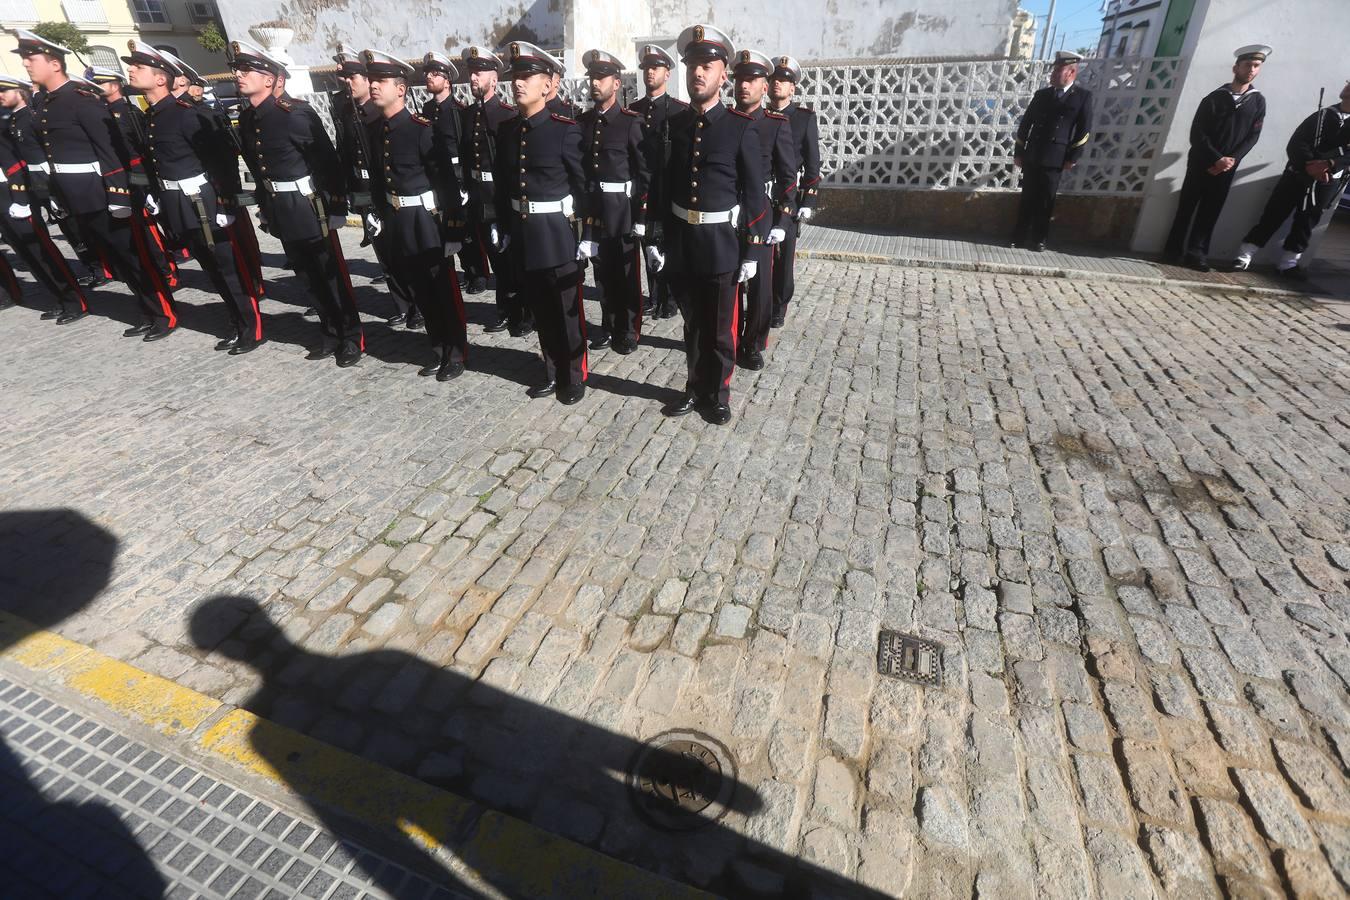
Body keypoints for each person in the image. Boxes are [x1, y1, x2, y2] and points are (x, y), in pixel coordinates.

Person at [14, 28, 180, 340]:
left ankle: (163, 313)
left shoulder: (82, 101)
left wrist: (118, 195)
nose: (26, 65)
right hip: (79, 198)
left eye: (32, 59)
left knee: (135, 259)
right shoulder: (48, 104)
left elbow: (109, 151)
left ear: (54, 64)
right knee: (117, 262)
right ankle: (147, 311)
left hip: (103, 197)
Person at [646, 24, 766, 426]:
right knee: (692, 325)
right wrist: (657, 235)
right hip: (684, 241)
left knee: (718, 330)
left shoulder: (740, 127)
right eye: (693, 64)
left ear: (723, 75)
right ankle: (694, 386)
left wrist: (753, 248)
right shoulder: (676, 125)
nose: (698, 72)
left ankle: (717, 394)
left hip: (721, 244)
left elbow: (754, 195)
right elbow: (663, 185)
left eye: (707, 65)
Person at [125, 40, 265, 354]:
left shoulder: (184, 113)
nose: (131, 71)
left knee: (229, 269)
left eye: (138, 67)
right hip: (181, 204)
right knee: (211, 269)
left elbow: (220, 160)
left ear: (161, 78)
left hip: (204, 203)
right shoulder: (153, 116)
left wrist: (226, 202)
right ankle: (236, 321)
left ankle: (251, 327)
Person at [232, 38, 365, 366]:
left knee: (330, 274)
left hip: (309, 207)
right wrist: (265, 207)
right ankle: (329, 330)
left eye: (246, 70)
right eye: (238, 70)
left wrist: (336, 207)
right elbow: (256, 165)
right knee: (306, 275)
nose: (239, 75)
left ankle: (351, 335)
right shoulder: (247, 120)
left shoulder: (295, 114)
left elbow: (327, 162)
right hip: (280, 208)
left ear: (268, 79)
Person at [362, 48, 469, 381]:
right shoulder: (376, 131)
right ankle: (438, 348)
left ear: (401, 89)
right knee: (421, 291)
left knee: (441, 290)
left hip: (427, 224)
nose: (374, 86)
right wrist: (378, 214)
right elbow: (380, 179)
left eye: (381, 80)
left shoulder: (422, 129)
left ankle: (456, 351)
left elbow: (446, 185)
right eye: (372, 80)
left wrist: (452, 230)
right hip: (398, 223)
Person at [494, 41, 588, 405]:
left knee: (564, 313)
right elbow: (505, 186)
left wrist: (586, 234)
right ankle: (552, 369)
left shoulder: (565, 130)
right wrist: (503, 227)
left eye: (528, 76)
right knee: (541, 311)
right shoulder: (507, 131)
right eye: (516, 76)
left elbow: (584, 188)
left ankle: (574, 374)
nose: (518, 83)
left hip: (557, 237)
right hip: (524, 235)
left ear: (548, 85)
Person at [332, 47, 421, 328]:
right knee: (383, 252)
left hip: (385, 189)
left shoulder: (379, 113)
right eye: (344, 77)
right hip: (363, 189)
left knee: (402, 251)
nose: (349, 82)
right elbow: (345, 151)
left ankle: (417, 304)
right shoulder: (346, 111)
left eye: (353, 76)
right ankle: (401, 303)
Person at [1164, 46, 1269, 272]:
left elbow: (1253, 136)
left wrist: (1231, 160)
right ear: (1236, 67)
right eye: (1247, 65)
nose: (1251, 69)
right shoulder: (1214, 98)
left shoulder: (1257, 101)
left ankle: (1197, 253)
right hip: (1201, 164)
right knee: (1186, 208)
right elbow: (1197, 133)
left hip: (1227, 169)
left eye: (1256, 66)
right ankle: (1172, 251)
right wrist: (1216, 158)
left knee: (1210, 212)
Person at [1230, 80, 1350, 277]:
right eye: (1348, 84)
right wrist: (1310, 165)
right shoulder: (1323, 115)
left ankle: (1288, 263)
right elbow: (1297, 143)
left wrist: (1329, 164)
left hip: (1326, 180)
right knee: (1273, 214)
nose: (1347, 87)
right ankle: (1244, 256)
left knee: (1307, 221)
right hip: (1298, 174)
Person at [577, 49, 649, 355]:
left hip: (622, 209)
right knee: (602, 272)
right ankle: (608, 325)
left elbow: (644, 172)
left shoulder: (630, 122)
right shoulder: (582, 122)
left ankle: (628, 328)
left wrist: (642, 213)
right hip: (595, 210)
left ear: (616, 84)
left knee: (625, 273)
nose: (595, 83)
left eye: (601, 78)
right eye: (592, 77)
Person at [0, 74, 89, 321]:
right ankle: (58, 297)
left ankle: (73, 300)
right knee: (25, 253)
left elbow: (16, 162)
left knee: (39, 249)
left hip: (11, 191)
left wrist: (20, 198)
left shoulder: (6, 121)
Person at [731, 48, 796, 372]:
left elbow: (788, 177)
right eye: (740, 79)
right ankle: (727, 338)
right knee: (730, 281)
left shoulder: (776, 124)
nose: (745, 85)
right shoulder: (726, 121)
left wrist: (784, 218)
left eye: (752, 79)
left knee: (760, 286)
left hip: (762, 214)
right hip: (729, 214)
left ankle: (753, 343)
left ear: (764, 86)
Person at [460, 45, 526, 332]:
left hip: (498, 196)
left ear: (494, 79)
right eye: (472, 72)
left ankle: (520, 313)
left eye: (479, 72)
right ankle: (505, 309)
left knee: (510, 259)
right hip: (477, 196)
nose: (474, 78)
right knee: (495, 259)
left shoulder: (506, 116)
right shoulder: (468, 114)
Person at [1011, 50, 1094, 252]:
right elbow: (1026, 124)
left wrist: (1072, 156)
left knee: (1046, 200)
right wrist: (1019, 152)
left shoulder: (1082, 97)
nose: (1054, 74)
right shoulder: (1042, 95)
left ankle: (1039, 238)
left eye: (1059, 70)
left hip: (1056, 158)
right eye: (1054, 70)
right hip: (1034, 154)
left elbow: (1084, 130)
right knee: (1028, 197)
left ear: (1071, 72)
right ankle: (1019, 236)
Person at [630, 44, 688, 321]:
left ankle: (671, 296)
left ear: (667, 73)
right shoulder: (633, 111)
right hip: (644, 189)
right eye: (647, 68)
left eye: (656, 68)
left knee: (670, 243)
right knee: (647, 241)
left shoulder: (679, 111)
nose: (650, 72)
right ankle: (654, 297)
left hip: (670, 189)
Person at [767, 54, 820, 328]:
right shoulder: (759, 115)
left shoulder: (803, 119)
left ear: (792, 89)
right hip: (760, 194)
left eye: (784, 81)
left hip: (788, 195)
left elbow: (813, 163)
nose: (778, 84)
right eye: (774, 79)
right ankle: (761, 299)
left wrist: (808, 199)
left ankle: (779, 304)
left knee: (783, 255)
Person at [420, 50, 476, 290]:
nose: (429, 78)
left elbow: (464, 146)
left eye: (435, 74)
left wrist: (463, 178)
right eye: (427, 74)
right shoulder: (427, 109)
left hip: (457, 173)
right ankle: (460, 269)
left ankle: (477, 272)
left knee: (466, 226)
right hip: (438, 175)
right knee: (446, 224)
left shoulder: (458, 110)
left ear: (447, 80)